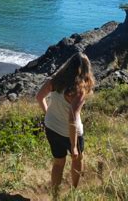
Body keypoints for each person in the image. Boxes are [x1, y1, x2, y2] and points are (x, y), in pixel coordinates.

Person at [36, 52, 95, 194]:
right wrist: (74, 146)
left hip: (51, 127)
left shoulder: (54, 81)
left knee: (58, 162)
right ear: (87, 69)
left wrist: (48, 113)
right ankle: (74, 191)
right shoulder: (79, 90)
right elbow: (72, 118)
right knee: (77, 160)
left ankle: (55, 194)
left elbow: (39, 97)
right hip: (70, 133)